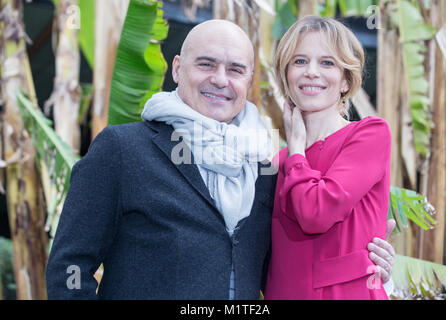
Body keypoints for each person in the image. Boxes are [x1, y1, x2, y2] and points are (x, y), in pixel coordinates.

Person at [45, 19, 395, 300]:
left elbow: (282, 261)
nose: (220, 80)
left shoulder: (264, 167)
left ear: (248, 81)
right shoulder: (122, 149)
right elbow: (69, 266)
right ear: (178, 69)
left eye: (235, 69)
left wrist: (369, 265)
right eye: (206, 64)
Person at [264, 15, 393, 300]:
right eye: (299, 61)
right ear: (286, 75)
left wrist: (296, 150)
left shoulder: (370, 134)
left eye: (327, 63)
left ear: (346, 80)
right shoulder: (276, 162)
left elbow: (315, 214)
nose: (311, 72)